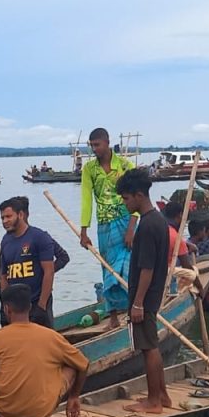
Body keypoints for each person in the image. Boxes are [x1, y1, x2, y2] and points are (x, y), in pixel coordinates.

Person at [0, 284, 88, 417]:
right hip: (37, 415)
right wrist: (74, 396)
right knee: (72, 366)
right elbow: (83, 364)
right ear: (30, 307)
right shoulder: (51, 336)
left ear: (7, 309)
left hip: (5, 414)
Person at [116, 169, 172, 414]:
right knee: (152, 344)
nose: (125, 203)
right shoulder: (157, 220)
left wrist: (137, 302)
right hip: (152, 294)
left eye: (127, 198)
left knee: (148, 347)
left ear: (139, 195)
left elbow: (147, 269)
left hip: (145, 296)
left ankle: (154, 401)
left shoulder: (149, 225)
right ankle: (162, 394)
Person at [79, 127, 138, 324]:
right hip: (104, 225)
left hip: (126, 221)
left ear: (107, 142)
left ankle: (133, 309)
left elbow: (138, 197)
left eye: (97, 145)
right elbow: (86, 199)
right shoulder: (89, 169)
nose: (94, 149)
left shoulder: (124, 165)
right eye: (92, 145)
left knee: (130, 266)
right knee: (108, 269)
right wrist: (83, 230)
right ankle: (113, 315)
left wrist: (132, 228)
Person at [0, 196, 56, 327]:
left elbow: (49, 272)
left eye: (8, 216)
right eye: (2, 218)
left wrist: (42, 305)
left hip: (36, 302)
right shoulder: (6, 241)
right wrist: (4, 305)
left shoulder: (39, 237)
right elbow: (3, 276)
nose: (5, 221)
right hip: (14, 307)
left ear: (20, 214)